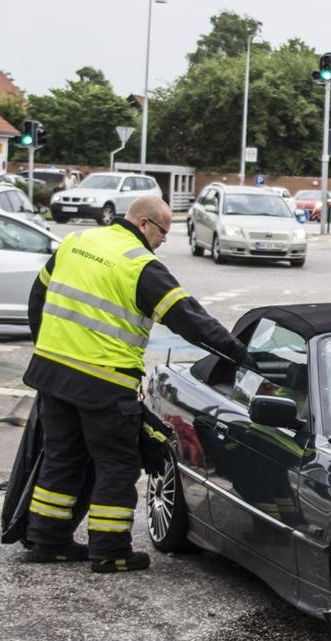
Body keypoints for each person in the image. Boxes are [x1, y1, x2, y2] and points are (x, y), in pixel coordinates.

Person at [23, 195, 251, 573]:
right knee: (118, 464)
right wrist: (238, 354)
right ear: (145, 224)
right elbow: (188, 318)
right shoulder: (140, 265)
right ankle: (110, 552)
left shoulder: (76, 243)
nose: (163, 241)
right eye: (163, 232)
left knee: (62, 457)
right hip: (103, 382)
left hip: (52, 373)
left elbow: (38, 296)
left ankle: (48, 541)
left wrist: (45, 347)